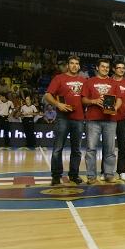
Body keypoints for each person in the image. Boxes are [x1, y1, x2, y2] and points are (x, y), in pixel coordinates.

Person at [45, 55, 86, 185]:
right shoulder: (59, 78)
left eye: (76, 63)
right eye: (72, 63)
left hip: (79, 118)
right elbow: (47, 95)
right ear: (68, 65)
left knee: (76, 150)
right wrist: (58, 104)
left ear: (79, 66)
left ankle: (74, 175)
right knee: (58, 148)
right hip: (63, 118)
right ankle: (56, 176)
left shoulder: (84, 80)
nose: (74, 66)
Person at [82, 59, 121, 184]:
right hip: (93, 120)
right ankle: (91, 176)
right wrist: (94, 101)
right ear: (97, 68)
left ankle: (109, 174)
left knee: (110, 149)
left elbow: (119, 99)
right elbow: (83, 100)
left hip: (110, 120)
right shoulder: (89, 82)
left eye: (107, 67)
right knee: (91, 149)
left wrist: (116, 107)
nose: (105, 69)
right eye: (103, 67)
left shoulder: (113, 83)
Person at [109, 61, 125, 182]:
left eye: (123, 68)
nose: (121, 70)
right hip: (108, 118)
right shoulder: (108, 81)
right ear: (114, 69)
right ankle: (106, 171)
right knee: (108, 147)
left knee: (123, 146)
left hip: (123, 118)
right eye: (118, 68)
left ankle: (121, 171)